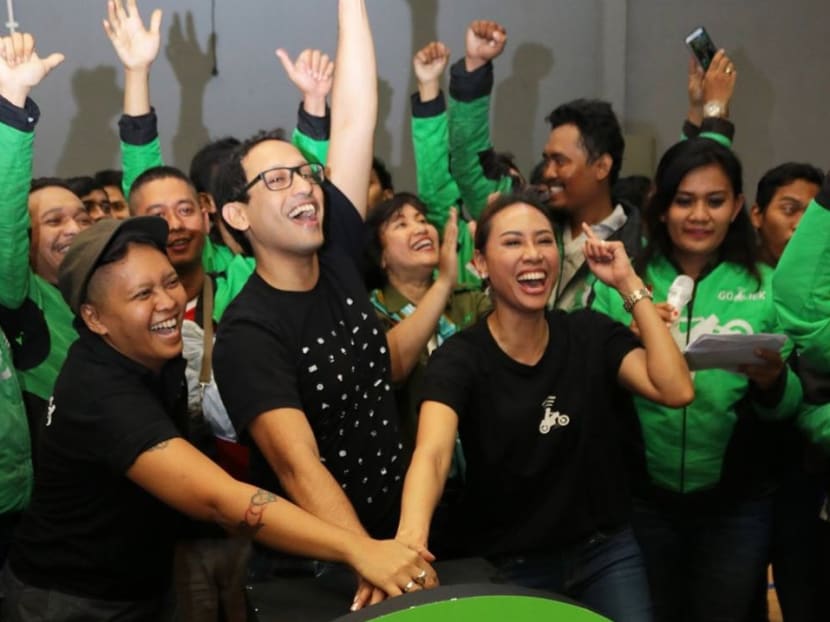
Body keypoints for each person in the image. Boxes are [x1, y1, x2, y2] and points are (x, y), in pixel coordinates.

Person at [0, 216, 437, 621]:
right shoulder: (99, 392)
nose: (167, 302)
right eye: (141, 294)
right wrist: (360, 550)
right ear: (94, 318)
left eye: (169, 282)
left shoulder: (155, 353)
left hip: (137, 581)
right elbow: (220, 500)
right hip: (69, 601)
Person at [212, 0, 444, 607]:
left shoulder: (338, 258)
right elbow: (297, 466)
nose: (306, 186)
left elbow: (355, 118)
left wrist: (352, 7)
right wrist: (366, 555)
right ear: (238, 216)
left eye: (307, 173)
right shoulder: (248, 331)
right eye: (278, 180)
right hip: (319, 572)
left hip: (398, 545)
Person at [396, 190, 694, 622]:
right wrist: (410, 540)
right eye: (513, 242)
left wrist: (628, 283)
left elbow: (675, 389)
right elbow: (433, 453)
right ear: (479, 263)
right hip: (511, 563)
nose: (533, 255)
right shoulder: (461, 358)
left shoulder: (588, 333)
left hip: (605, 554)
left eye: (544, 240)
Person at [590, 138, 803, 622]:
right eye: (684, 200)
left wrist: (773, 379)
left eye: (715, 200)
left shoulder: (768, 288)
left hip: (737, 503)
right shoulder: (622, 283)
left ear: (737, 209)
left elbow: (789, 407)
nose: (699, 215)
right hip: (640, 501)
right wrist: (624, 341)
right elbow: (591, 387)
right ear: (661, 208)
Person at [0, 32, 87, 438]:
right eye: (54, 221)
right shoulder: (22, 300)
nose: (73, 229)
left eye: (82, 217)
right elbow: (6, 224)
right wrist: (12, 105)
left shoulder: (107, 293)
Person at [749, 162, 822, 267]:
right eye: (789, 209)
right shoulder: (729, 278)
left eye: (812, 216)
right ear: (756, 215)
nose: (800, 225)